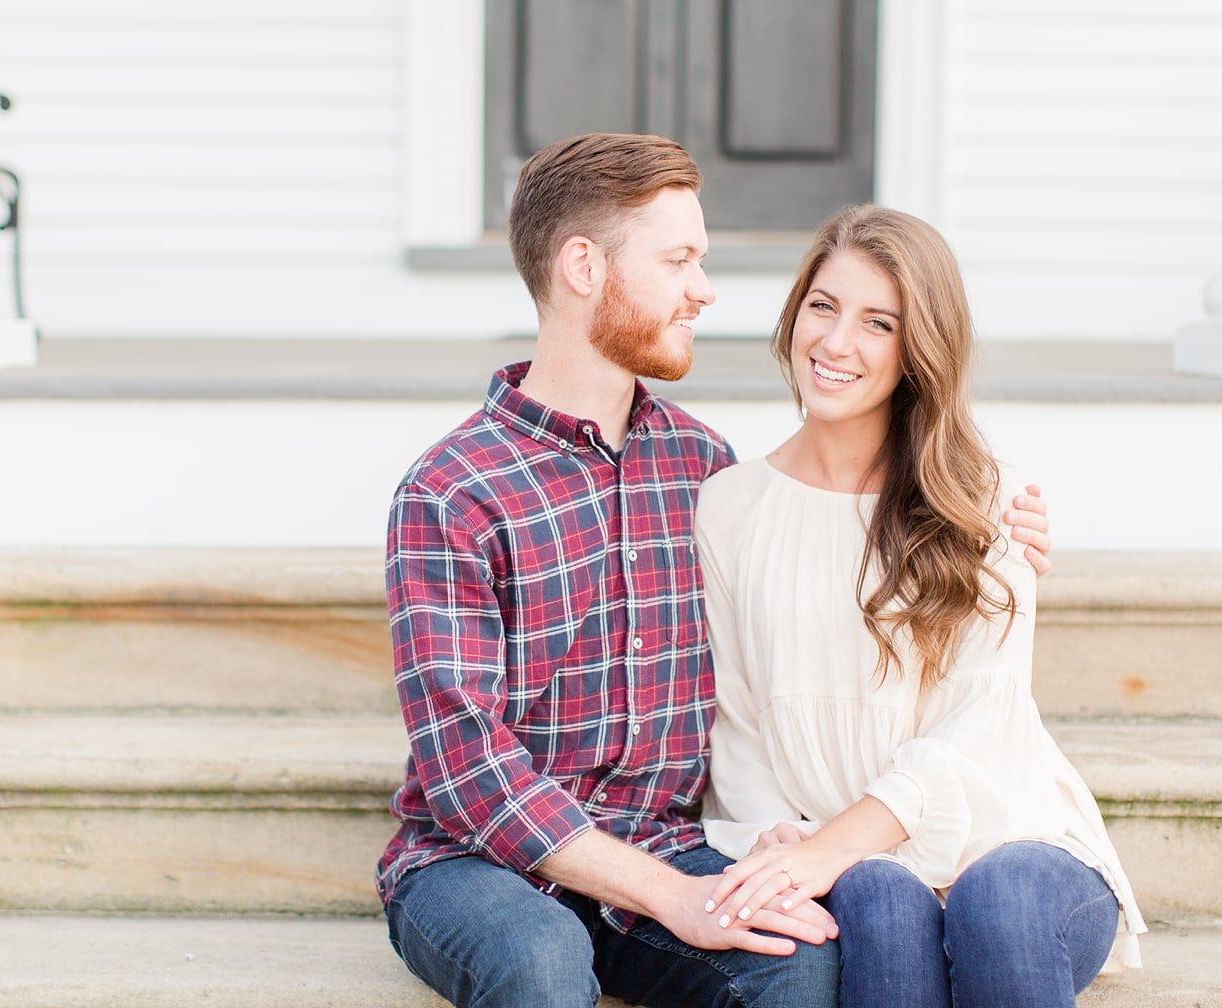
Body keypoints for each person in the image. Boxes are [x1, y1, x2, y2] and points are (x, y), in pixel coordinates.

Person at [377, 134, 1054, 1008]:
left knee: (799, 961)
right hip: (477, 863)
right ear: (584, 265)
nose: (703, 288)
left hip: (668, 842)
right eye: (678, 260)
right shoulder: (452, 490)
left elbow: (831, 555)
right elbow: (465, 766)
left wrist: (990, 531)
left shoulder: (700, 468)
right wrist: (676, 898)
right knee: (538, 959)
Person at [693, 204, 1146, 1008]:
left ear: (917, 352)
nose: (835, 344)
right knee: (876, 897)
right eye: (823, 307)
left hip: (1008, 844)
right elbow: (738, 720)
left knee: (991, 901)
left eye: (878, 323)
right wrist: (778, 839)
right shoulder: (729, 505)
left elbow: (980, 718)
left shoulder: (984, 501)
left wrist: (834, 844)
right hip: (843, 858)